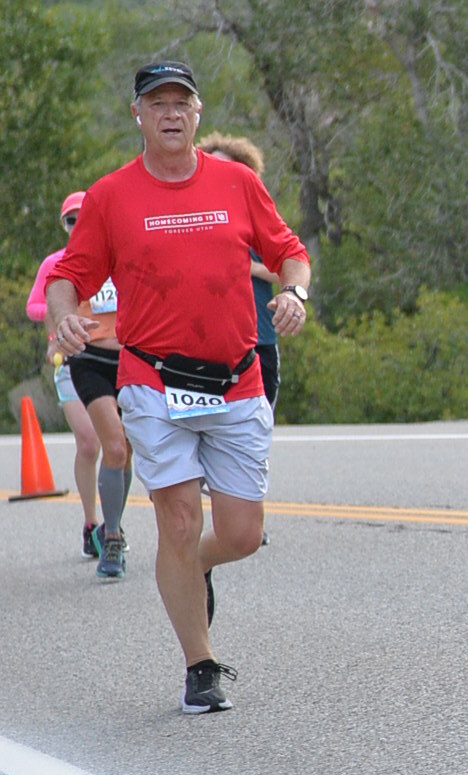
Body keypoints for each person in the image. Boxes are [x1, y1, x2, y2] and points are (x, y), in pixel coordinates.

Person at [43, 56, 310, 715]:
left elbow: (289, 252)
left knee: (242, 532)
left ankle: (196, 565)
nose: (170, 114)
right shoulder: (111, 196)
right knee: (180, 521)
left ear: (197, 113)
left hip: (236, 379)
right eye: (157, 103)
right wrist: (63, 317)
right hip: (153, 384)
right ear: (138, 114)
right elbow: (67, 277)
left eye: (180, 103)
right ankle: (201, 666)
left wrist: (295, 292)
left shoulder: (237, 182)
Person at [26, 188, 133, 572]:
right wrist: (59, 328)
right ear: (65, 224)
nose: (78, 224)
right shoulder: (62, 262)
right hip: (83, 358)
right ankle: (106, 533)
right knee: (97, 443)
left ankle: (111, 523)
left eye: (84, 216)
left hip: (130, 359)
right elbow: (41, 304)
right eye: (71, 220)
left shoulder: (124, 252)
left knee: (124, 450)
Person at [203, 137, 283, 413]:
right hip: (207, 346)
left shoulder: (255, 218)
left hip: (259, 339)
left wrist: (250, 268)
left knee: (258, 423)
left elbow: (289, 268)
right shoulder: (194, 219)